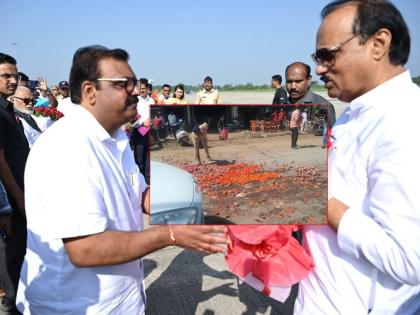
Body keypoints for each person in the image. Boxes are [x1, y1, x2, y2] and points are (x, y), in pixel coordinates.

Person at [16, 45, 227, 315]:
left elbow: (138, 194)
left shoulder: (114, 138)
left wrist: (196, 215)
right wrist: (171, 234)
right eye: (123, 84)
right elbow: (85, 249)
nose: (136, 91)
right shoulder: (67, 146)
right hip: (75, 306)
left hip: (122, 299)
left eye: (135, 84)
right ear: (90, 91)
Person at [294, 1, 420, 314]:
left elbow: (410, 260)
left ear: (378, 44)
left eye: (327, 54)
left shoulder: (404, 121)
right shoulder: (354, 115)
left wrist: (319, 200)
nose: (320, 69)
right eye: (317, 58)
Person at [0, 53, 30, 314]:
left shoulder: (8, 109)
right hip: (11, 197)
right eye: (6, 75)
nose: (12, 80)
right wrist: (16, 199)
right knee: (14, 251)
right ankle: (14, 302)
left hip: (19, 193)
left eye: (15, 75)